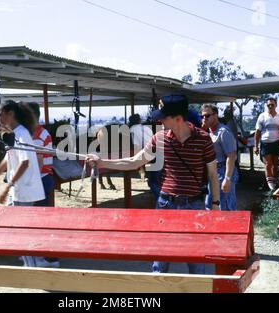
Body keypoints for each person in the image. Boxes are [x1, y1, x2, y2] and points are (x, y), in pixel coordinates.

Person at [87, 94, 220, 274]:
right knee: (160, 261)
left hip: (194, 206)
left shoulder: (203, 139)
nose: (159, 120)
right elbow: (135, 161)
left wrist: (215, 205)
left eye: (163, 117)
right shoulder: (159, 138)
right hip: (166, 205)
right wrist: (101, 162)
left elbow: (213, 175)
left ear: (178, 119)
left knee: (197, 261)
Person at [0, 100, 46, 267]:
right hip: (20, 188)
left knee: (21, 227)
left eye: (0, 114)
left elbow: (24, 163)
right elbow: (7, 159)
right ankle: (32, 259)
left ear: (11, 114)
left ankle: (33, 261)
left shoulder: (21, 133)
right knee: (18, 224)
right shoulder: (13, 133)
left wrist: (7, 186)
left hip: (24, 188)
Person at [27, 102, 60, 268]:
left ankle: (48, 256)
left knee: (41, 220)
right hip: (43, 178)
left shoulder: (38, 134)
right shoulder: (39, 132)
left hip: (40, 179)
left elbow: (38, 162)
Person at [201, 104, 238, 211]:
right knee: (210, 205)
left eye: (207, 116)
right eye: (202, 116)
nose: (204, 119)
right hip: (213, 172)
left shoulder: (223, 132)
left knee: (225, 207)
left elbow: (231, 156)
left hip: (223, 171)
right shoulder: (209, 132)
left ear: (216, 116)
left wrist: (227, 179)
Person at [254, 98, 279, 191]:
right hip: (265, 143)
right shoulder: (262, 116)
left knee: (275, 165)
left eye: (272, 105)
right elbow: (257, 132)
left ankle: (275, 183)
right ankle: (271, 186)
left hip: (276, 142)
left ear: (276, 105)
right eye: (268, 105)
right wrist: (256, 146)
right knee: (268, 164)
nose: (270, 106)